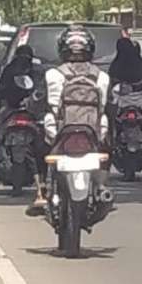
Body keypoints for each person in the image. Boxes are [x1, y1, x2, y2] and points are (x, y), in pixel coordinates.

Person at [30, 24, 111, 213]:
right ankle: (101, 186)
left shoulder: (53, 75)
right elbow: (110, 107)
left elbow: (37, 102)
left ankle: (41, 190)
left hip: (58, 133)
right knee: (108, 140)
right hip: (94, 134)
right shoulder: (102, 77)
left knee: (37, 144)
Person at [108, 36, 142, 153]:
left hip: (120, 102)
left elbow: (110, 85)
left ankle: (110, 139)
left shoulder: (115, 66)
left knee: (109, 117)